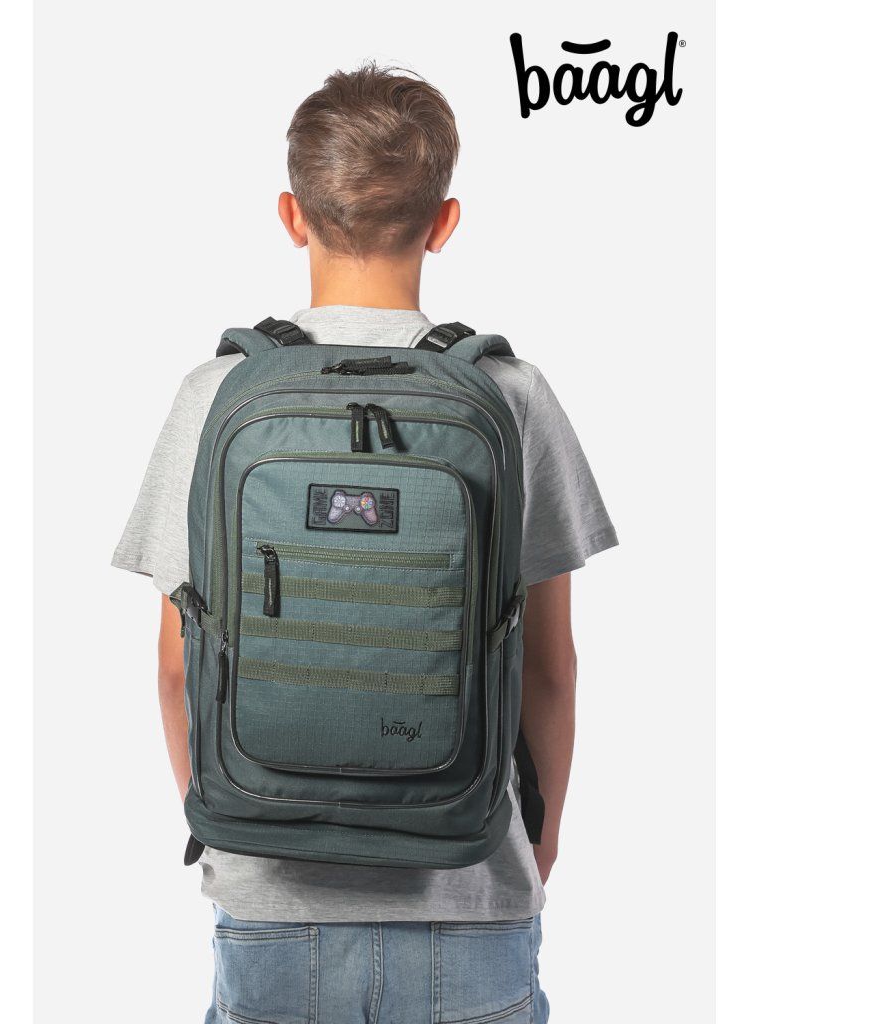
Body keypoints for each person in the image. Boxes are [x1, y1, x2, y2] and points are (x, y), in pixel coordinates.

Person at [113, 63, 616, 1024]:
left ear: (291, 215)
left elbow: (178, 668)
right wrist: (534, 843)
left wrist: (232, 825)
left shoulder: (216, 396)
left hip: (271, 906)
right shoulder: (510, 394)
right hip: (471, 891)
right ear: (445, 221)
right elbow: (551, 668)